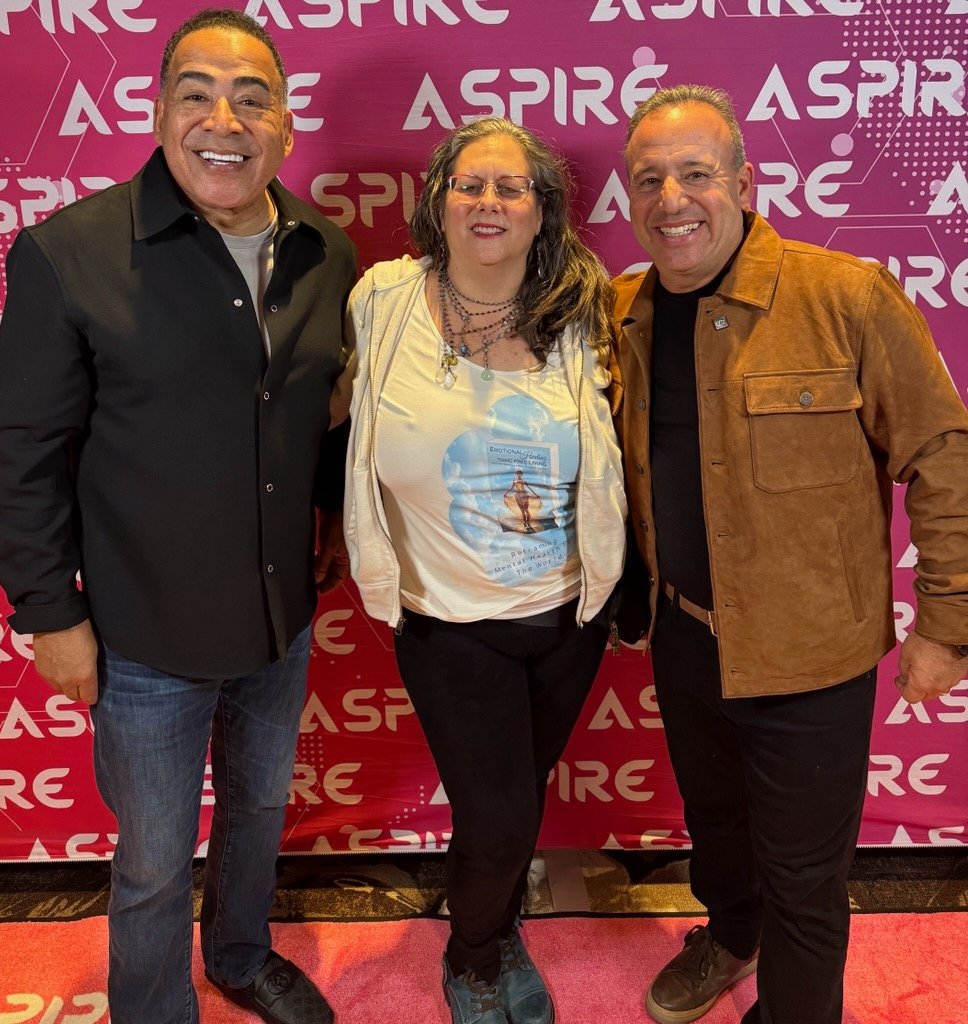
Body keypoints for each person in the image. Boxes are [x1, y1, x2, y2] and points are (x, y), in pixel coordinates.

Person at [0, 9, 355, 1024]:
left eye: (251, 99)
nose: (223, 120)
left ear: (284, 124)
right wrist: (48, 613)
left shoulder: (327, 251)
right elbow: (23, 453)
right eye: (197, 94)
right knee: (152, 857)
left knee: (260, 811)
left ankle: (239, 955)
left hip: (279, 619)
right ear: (157, 113)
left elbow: (324, 412)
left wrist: (329, 514)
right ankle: (152, 1006)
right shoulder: (70, 253)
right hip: (142, 634)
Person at [610, 84, 968, 1024]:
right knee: (717, 831)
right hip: (685, 637)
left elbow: (943, 454)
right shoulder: (622, 312)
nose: (673, 199)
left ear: (744, 182)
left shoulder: (843, 295)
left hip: (811, 654)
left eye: (696, 173)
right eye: (650, 179)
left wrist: (947, 625)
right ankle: (732, 936)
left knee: (806, 881)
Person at [338, 117, 627, 1024]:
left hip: (567, 620)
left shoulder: (586, 311)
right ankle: (471, 959)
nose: (488, 202)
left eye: (512, 187)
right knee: (498, 817)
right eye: (469, 185)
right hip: (448, 622)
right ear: (439, 202)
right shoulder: (382, 301)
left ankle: (498, 932)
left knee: (514, 799)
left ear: (544, 210)